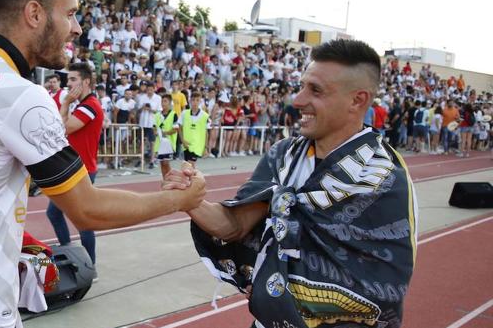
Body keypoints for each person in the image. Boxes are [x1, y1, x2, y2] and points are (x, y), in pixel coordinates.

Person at [0, 0, 205, 328]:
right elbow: (88, 209)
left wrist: (3, 230)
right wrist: (177, 200)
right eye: (69, 13)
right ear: (35, 14)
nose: (78, 27)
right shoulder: (20, 95)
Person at [171, 39, 417, 328]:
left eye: (315, 90)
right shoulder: (284, 154)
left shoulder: (383, 177)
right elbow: (235, 225)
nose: (297, 101)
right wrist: (191, 200)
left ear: (357, 100)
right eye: (301, 86)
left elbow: (384, 287)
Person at [51, 62, 104, 271]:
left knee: (83, 221)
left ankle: (89, 266)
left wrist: (65, 105)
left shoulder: (90, 105)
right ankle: (72, 255)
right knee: (56, 214)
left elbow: (64, 128)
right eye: (68, 79)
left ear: (86, 82)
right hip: (74, 169)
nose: (69, 84)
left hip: (82, 171)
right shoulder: (83, 105)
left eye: (73, 80)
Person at [178, 92, 210, 166]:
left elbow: (206, 133)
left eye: (197, 100)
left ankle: (195, 177)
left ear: (200, 102)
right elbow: (180, 128)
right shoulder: (184, 113)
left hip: (197, 145)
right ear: (190, 101)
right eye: (193, 100)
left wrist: (205, 147)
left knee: (190, 164)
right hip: (186, 144)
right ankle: (193, 177)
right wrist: (183, 141)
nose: (195, 102)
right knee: (187, 166)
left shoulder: (205, 116)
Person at [154, 93, 178, 177]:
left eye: (165, 101)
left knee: (166, 163)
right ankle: (165, 180)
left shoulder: (173, 115)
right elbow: (154, 126)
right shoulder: (157, 115)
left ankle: (171, 179)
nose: (163, 103)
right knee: (162, 164)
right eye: (162, 101)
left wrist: (165, 133)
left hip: (168, 143)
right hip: (159, 143)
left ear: (169, 102)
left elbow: (175, 129)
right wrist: (156, 132)